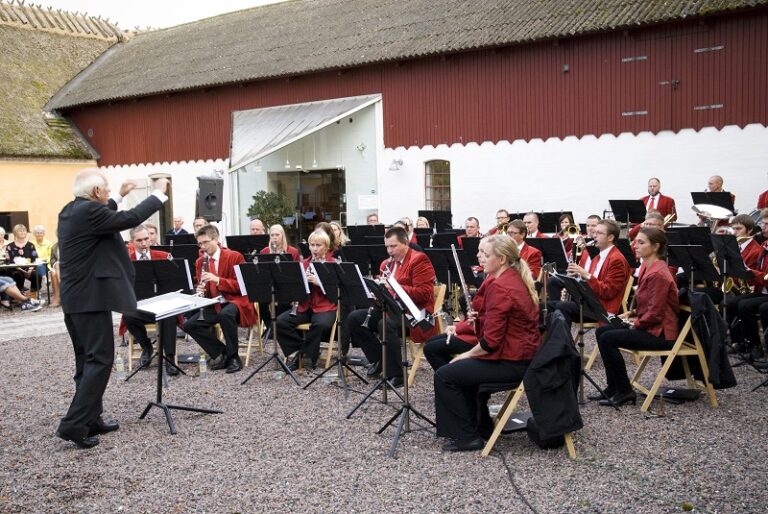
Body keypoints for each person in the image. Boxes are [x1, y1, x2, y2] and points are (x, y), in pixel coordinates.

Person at [56, 170, 169, 449]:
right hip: (90, 299)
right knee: (100, 360)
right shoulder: (89, 213)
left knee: (87, 361)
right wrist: (158, 192)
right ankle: (73, 425)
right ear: (95, 193)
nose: (108, 192)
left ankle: (91, 418)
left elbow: (106, 212)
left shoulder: (72, 210)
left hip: (78, 300)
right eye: (106, 189)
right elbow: (128, 219)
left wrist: (120, 193)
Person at [434, 235, 540, 451]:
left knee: (445, 375)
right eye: (480, 252)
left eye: (485, 254)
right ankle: (479, 425)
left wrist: (466, 355)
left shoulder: (501, 286)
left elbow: (490, 343)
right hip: (519, 357)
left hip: (513, 363)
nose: (479, 256)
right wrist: (479, 321)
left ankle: (467, 436)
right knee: (458, 370)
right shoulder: (511, 278)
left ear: (501, 259)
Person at [594, 228, 679, 406]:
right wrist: (631, 314)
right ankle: (613, 386)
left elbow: (655, 314)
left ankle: (625, 391)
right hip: (651, 327)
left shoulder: (658, 273)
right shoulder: (649, 268)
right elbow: (650, 304)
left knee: (609, 338)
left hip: (660, 334)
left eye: (641, 242)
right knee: (602, 331)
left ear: (655, 247)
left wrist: (634, 324)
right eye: (636, 241)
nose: (635, 245)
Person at [345, 226, 438, 386]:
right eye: (387, 246)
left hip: (416, 313)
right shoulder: (385, 264)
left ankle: (397, 374)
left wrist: (392, 287)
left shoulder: (419, 260)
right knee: (354, 318)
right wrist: (377, 293)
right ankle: (380, 359)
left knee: (385, 324)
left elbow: (424, 293)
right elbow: (386, 296)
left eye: (393, 246)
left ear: (405, 243)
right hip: (392, 309)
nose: (389, 250)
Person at [184, 224, 257, 374]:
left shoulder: (234, 256)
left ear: (216, 239)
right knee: (190, 325)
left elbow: (242, 286)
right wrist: (200, 290)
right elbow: (201, 285)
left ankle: (234, 357)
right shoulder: (200, 262)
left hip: (235, 301)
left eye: (206, 242)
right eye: (200, 243)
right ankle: (223, 353)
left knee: (226, 314)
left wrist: (218, 280)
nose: (203, 247)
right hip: (214, 304)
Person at [121, 225, 179, 373]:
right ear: (132, 242)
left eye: (147, 239)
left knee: (170, 315)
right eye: (139, 240)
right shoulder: (127, 261)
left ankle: (170, 358)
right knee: (128, 315)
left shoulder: (163, 256)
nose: (144, 243)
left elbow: (177, 281)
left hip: (163, 305)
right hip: (141, 307)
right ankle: (146, 347)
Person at [276, 230, 337, 369]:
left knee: (320, 325)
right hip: (304, 305)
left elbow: (336, 291)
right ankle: (301, 352)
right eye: (312, 245)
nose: (314, 249)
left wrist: (318, 282)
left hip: (324, 306)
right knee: (280, 322)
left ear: (326, 247)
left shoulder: (332, 264)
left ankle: (305, 357)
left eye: (318, 245)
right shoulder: (303, 264)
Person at [423, 245, 491, 370]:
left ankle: (451, 378)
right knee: (431, 342)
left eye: (484, 252)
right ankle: (453, 375)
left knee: (431, 349)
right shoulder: (490, 278)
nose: (478, 256)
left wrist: (458, 328)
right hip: (476, 331)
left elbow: (485, 320)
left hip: (482, 338)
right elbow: (478, 316)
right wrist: (459, 326)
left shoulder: (495, 283)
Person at [552, 219, 631, 325]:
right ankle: (556, 340)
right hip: (590, 303)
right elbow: (590, 286)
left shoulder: (616, 259)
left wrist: (585, 274)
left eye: (599, 233)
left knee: (561, 307)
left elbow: (607, 292)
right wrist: (572, 286)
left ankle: (563, 341)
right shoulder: (599, 255)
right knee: (548, 306)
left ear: (610, 237)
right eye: (595, 232)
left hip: (602, 309)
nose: (594, 236)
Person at [4, 224, 40, 295]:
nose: (23, 232)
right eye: (20, 231)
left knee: (37, 274)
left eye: (24, 231)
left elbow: (35, 259)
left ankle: (33, 293)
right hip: (16, 269)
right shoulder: (9, 246)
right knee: (17, 274)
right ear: (15, 233)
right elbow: (9, 261)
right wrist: (23, 271)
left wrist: (29, 270)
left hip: (29, 268)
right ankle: (18, 294)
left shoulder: (31, 245)